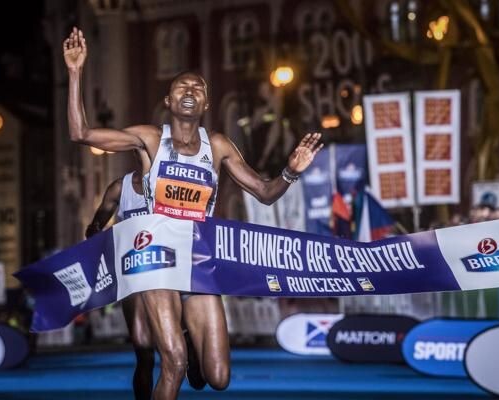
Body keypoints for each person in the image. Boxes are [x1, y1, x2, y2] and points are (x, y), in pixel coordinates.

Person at [64, 26, 322, 400]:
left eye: (197, 88)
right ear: (168, 101)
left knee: (218, 377)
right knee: (172, 362)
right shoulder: (150, 139)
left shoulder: (217, 146)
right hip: (155, 258)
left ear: (206, 103)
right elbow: (81, 133)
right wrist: (75, 72)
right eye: (182, 87)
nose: (190, 91)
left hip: (198, 259)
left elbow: (265, 193)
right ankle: (178, 350)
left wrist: (291, 171)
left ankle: (187, 335)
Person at [85, 153, 154, 399]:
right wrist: (101, 235)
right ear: (136, 152)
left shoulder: (172, 185)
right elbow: (93, 229)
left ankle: (190, 348)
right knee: (144, 353)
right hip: (134, 276)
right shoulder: (120, 188)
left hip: (170, 273)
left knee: (174, 352)